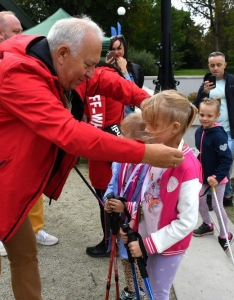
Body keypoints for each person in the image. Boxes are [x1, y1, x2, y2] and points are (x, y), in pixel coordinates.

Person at [0, 16, 184, 299]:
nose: (90, 73)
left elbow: (105, 81)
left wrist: (146, 101)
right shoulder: (19, 74)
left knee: (26, 256)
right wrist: (145, 153)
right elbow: (69, 133)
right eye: (87, 65)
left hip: (7, 188)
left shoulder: (58, 70)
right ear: (62, 53)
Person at [0, 11, 58, 257]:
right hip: (4, 138)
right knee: (5, 186)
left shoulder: (16, 55)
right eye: (16, 31)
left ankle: (34, 228)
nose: (21, 35)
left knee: (33, 180)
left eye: (21, 30)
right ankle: (1, 233)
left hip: (26, 133)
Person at [121, 90, 202, 300]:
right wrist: (132, 221)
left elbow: (187, 221)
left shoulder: (188, 168)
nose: (146, 129)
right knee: (150, 291)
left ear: (174, 128)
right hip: (148, 238)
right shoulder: (158, 153)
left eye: (152, 125)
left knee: (157, 293)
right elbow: (149, 199)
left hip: (167, 247)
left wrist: (146, 245)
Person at [193, 51, 234, 207]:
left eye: (219, 64)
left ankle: (221, 194)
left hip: (231, 130)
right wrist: (204, 91)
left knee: (223, 159)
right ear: (208, 66)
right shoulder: (207, 82)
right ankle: (226, 193)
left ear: (225, 64)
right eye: (212, 65)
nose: (215, 68)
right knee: (216, 160)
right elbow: (196, 105)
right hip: (213, 130)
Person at [80, 62, 127, 258]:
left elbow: (98, 121)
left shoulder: (98, 82)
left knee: (105, 198)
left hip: (102, 147)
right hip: (117, 140)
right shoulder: (116, 78)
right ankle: (117, 241)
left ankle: (109, 244)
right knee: (117, 197)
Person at [104, 113, 150, 300]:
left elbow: (149, 202)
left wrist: (127, 207)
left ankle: (142, 290)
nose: (120, 138)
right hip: (120, 221)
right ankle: (131, 289)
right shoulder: (120, 160)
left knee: (137, 258)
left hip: (138, 224)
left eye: (124, 135)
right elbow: (112, 184)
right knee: (123, 257)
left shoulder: (149, 166)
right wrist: (108, 199)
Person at [193, 97, 234, 252]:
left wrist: (217, 177)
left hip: (217, 177)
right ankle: (207, 224)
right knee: (200, 201)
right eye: (202, 114)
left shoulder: (218, 135)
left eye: (209, 116)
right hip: (203, 175)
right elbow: (201, 153)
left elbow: (226, 159)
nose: (204, 118)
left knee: (217, 206)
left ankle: (225, 235)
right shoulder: (199, 131)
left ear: (217, 116)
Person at [107, 34, 144, 116]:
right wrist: (106, 68)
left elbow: (135, 92)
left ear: (125, 49)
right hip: (112, 117)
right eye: (113, 49)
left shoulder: (135, 69)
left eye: (119, 48)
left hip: (128, 116)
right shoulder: (107, 69)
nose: (116, 52)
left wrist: (124, 71)